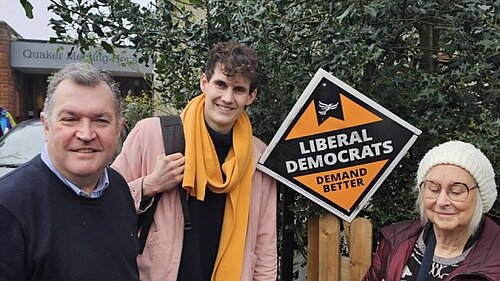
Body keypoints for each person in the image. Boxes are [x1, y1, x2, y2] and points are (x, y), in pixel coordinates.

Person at [112, 41, 277, 281]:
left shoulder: (258, 158)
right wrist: (150, 184)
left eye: (238, 89)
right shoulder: (151, 134)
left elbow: (264, 243)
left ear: (251, 97)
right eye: (220, 84)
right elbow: (107, 205)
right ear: (204, 83)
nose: (227, 98)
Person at [0, 63, 140, 281]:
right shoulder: (8, 206)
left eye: (100, 120)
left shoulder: (118, 187)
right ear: (46, 126)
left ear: (118, 129)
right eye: (70, 119)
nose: (85, 134)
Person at [363, 140, 499, 281]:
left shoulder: (495, 263)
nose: (441, 201)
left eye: (456, 191)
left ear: (480, 196)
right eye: (433, 189)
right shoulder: (394, 241)